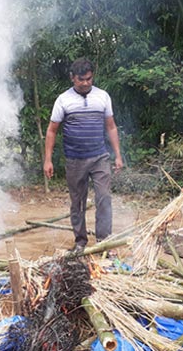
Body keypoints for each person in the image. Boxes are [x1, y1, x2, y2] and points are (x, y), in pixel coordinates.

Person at [44, 58, 124, 253]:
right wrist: (48, 159)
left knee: (104, 197)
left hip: (99, 157)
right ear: (72, 78)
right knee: (77, 201)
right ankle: (80, 241)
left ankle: (104, 241)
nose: (86, 83)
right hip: (74, 159)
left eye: (89, 78)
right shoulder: (63, 100)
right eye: (81, 79)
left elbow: (111, 127)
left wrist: (118, 155)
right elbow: (52, 131)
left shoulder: (102, 96)